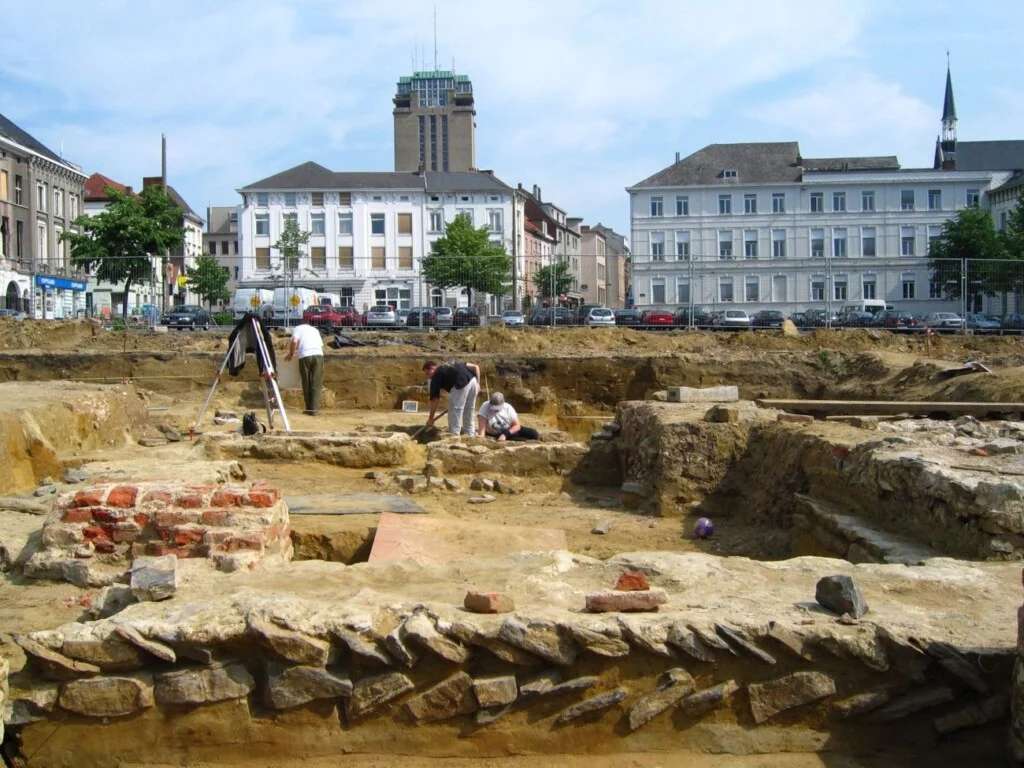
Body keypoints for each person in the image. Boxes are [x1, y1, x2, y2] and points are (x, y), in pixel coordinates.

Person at [423, 360, 480, 436]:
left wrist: (431, 418)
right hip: (473, 381)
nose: (428, 376)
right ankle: (470, 434)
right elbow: (475, 367)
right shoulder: (452, 363)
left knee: (455, 410)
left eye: (427, 373)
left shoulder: (436, 374)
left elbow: (434, 399)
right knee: (469, 410)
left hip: (460, 384)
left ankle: (454, 435)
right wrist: (478, 384)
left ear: (432, 368)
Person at [285, 322, 324, 415]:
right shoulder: (315, 330)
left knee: (306, 382)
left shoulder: (297, 328)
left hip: (305, 356)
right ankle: (314, 410)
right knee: (316, 383)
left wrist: (291, 354)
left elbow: (294, 341)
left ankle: (309, 409)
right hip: (318, 355)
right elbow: (321, 344)